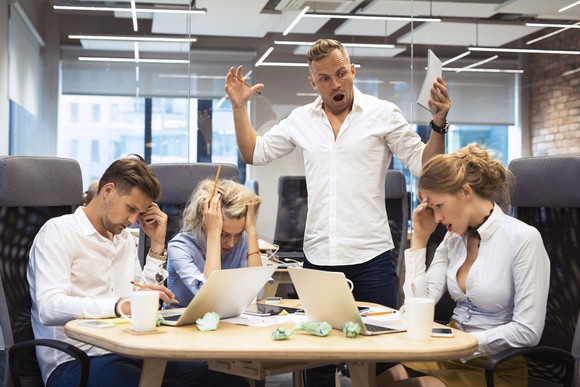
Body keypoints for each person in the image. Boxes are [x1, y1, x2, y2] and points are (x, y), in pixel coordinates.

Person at [226, 38, 451, 385]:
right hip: (320, 259)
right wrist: (240, 108)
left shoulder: (383, 114)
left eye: (341, 73)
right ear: (313, 83)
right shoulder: (301, 119)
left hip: (371, 258)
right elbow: (254, 153)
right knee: (318, 362)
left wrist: (437, 124)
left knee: (382, 359)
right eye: (325, 78)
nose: (336, 84)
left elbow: (427, 164)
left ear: (352, 70)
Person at [28, 156, 248, 387]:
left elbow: (135, 292)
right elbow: (48, 307)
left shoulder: (123, 240)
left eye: (139, 212)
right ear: (108, 190)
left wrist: (156, 246)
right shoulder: (58, 232)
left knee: (229, 382)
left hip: (127, 350)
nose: (133, 220)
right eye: (130, 208)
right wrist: (117, 305)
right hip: (75, 361)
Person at [377, 144, 550, 387]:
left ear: (466, 192)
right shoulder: (453, 239)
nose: (436, 218)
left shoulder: (523, 238)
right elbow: (419, 303)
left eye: (439, 206)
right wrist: (419, 239)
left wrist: (466, 343)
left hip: (496, 364)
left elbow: (528, 331)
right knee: (377, 379)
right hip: (449, 352)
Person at [168, 179, 262, 307]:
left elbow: (257, 294)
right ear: (204, 222)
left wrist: (251, 232)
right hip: (179, 323)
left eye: (238, 235)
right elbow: (210, 299)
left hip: (228, 320)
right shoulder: (179, 247)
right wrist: (214, 234)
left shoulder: (243, 241)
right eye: (224, 235)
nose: (231, 244)